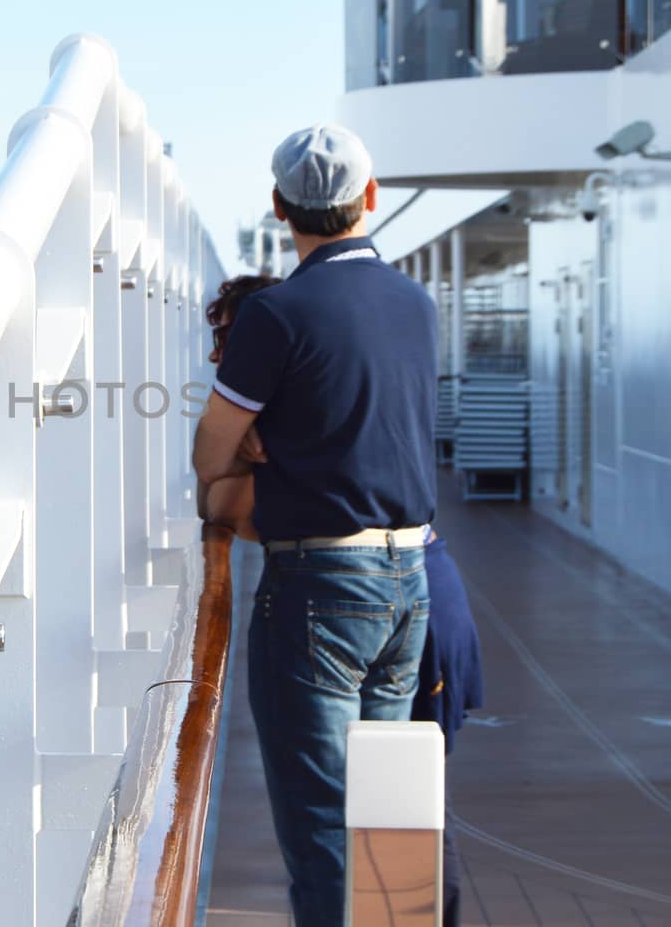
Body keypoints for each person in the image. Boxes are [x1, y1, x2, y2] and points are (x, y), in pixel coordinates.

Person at [192, 124, 438, 925]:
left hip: (319, 592)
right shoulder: (416, 304)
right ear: (371, 198)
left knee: (322, 824)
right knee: (387, 808)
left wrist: (261, 447)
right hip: (410, 581)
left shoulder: (278, 314)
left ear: (277, 207)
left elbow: (209, 454)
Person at [200, 274, 484, 927]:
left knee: (378, 808)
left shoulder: (284, 417)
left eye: (225, 339)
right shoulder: (314, 398)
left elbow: (228, 508)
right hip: (420, 591)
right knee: (396, 795)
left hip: (403, 605)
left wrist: (233, 461)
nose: (218, 357)